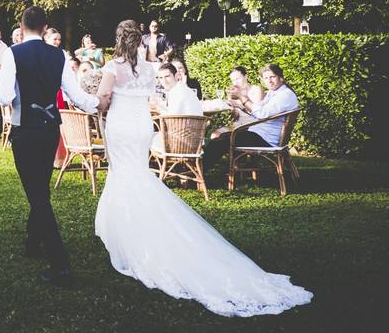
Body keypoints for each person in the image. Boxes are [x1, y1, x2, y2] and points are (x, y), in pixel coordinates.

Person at [94, 21, 311, 316]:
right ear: (139, 40)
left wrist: (92, 103)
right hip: (142, 128)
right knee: (137, 175)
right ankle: (127, 223)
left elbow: (105, 99)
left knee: (124, 175)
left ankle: (127, 232)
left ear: (118, 40)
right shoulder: (148, 67)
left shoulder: (111, 67)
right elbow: (150, 96)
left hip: (121, 126)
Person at [0, 6, 99, 288]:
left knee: (38, 196)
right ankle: (32, 242)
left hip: (25, 131)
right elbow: (74, 93)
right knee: (39, 187)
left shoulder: (12, 53)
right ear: (44, 29)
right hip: (51, 130)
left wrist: (16, 93)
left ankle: (60, 264)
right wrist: (95, 104)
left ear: (22, 25)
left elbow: (4, 96)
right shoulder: (59, 55)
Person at [203, 64, 300, 169]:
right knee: (221, 138)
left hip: (265, 139)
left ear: (281, 77)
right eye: (266, 78)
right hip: (261, 135)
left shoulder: (284, 95)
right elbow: (259, 110)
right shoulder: (276, 92)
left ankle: (201, 171)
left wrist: (241, 96)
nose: (269, 81)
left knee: (220, 142)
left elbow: (261, 114)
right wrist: (240, 106)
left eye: (272, 77)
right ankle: (211, 169)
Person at [150, 63, 203, 153]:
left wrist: (157, 106)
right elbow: (175, 114)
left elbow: (171, 119)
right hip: (194, 142)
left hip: (182, 143)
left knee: (143, 137)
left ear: (176, 76)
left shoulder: (177, 92)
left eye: (167, 76)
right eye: (161, 78)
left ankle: (146, 165)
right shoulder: (182, 89)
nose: (164, 81)